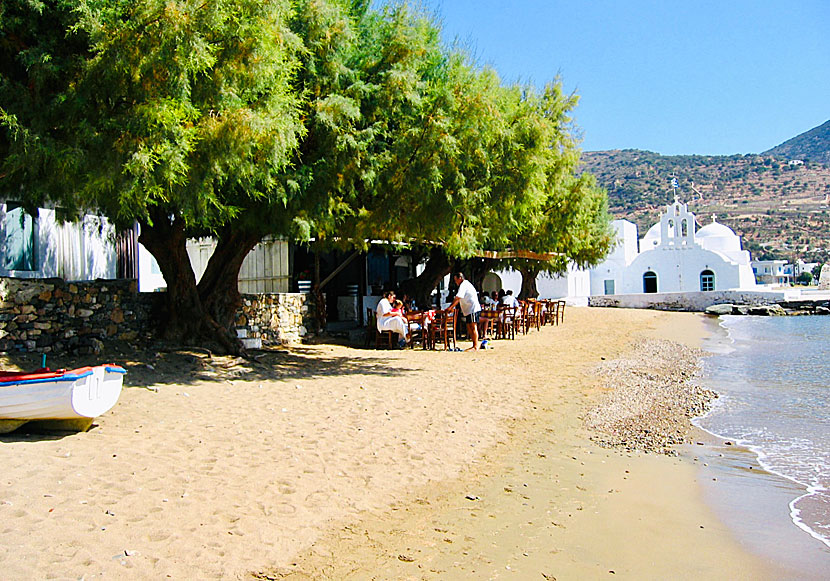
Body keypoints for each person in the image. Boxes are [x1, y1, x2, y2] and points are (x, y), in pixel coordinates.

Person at [444, 272, 482, 351]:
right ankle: (474, 344)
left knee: (473, 326)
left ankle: (475, 346)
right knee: (469, 326)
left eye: (456, 280)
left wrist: (450, 307)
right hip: (468, 310)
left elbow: (458, 297)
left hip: (472, 308)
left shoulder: (464, 284)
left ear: (460, 278)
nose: (455, 282)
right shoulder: (464, 285)